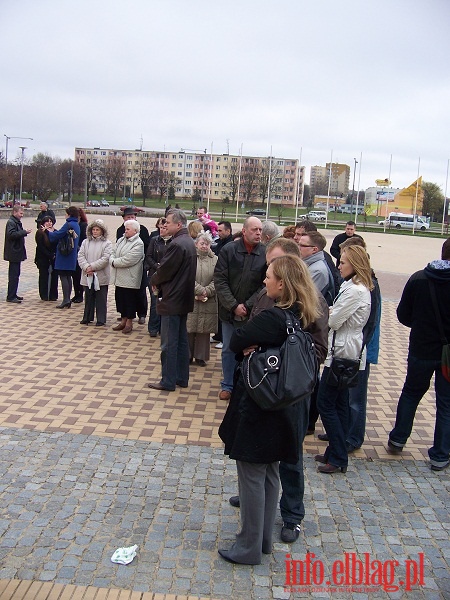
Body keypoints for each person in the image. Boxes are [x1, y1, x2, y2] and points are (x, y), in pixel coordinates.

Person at [218, 255, 320, 564]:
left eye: (270, 276)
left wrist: (254, 346)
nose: (265, 280)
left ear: (282, 283)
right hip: (286, 406)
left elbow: (237, 340)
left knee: (251, 476)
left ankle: (248, 547)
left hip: (260, 407)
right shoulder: (304, 313)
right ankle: (261, 541)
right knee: (271, 473)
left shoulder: (272, 318)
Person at [387, 238, 450, 471]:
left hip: (421, 348)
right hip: (448, 355)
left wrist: (422, 325)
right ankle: (441, 454)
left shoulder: (419, 278)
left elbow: (403, 314)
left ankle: (398, 438)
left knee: (411, 393)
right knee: (446, 404)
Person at [316, 245, 373, 474]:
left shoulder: (355, 290)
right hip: (344, 350)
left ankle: (338, 455)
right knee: (338, 404)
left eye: (343, 263)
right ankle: (335, 452)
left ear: (355, 265)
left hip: (343, 353)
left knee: (326, 403)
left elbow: (334, 320)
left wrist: (330, 312)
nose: (339, 266)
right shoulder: (353, 286)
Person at [214, 217, 267, 401]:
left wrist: (248, 305)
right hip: (229, 312)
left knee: (250, 350)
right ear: (244, 231)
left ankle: (245, 386)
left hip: (252, 314)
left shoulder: (264, 254)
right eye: (254, 229)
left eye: (260, 230)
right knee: (229, 349)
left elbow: (265, 285)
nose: (258, 233)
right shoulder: (229, 250)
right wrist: (234, 305)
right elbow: (220, 280)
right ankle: (227, 384)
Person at [148, 209, 197, 392]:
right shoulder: (188, 241)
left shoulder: (177, 244)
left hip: (172, 299)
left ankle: (168, 380)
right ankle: (181, 378)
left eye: (167, 222)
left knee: (169, 343)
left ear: (178, 224)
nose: (164, 225)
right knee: (181, 341)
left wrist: (153, 281)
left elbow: (164, 271)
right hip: (182, 298)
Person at [187, 232, 218, 366]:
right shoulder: (190, 257)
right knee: (189, 327)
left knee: (204, 330)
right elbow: (187, 277)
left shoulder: (215, 259)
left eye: (207, 244)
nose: (205, 246)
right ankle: (187, 355)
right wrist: (199, 290)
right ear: (196, 244)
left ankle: (201, 356)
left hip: (208, 299)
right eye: (202, 243)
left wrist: (207, 291)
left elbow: (218, 278)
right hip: (192, 297)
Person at [116, 207, 150, 325]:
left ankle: (141, 314)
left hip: (138, 265)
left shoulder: (143, 230)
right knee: (122, 293)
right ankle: (124, 314)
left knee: (140, 291)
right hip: (122, 268)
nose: (130, 218)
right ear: (124, 218)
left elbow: (147, 247)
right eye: (128, 217)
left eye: (132, 217)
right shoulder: (120, 230)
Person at [110, 220, 144, 334]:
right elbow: (112, 252)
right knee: (120, 299)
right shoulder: (121, 240)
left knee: (129, 300)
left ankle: (129, 322)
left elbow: (129, 260)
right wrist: (112, 260)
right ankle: (123, 320)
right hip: (119, 276)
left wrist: (114, 262)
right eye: (125, 229)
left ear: (135, 231)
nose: (126, 231)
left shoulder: (138, 243)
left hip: (130, 277)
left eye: (128, 229)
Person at [77, 219, 112, 326]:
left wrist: (93, 267)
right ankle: (87, 317)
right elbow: (81, 256)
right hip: (87, 273)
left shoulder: (107, 243)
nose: (95, 232)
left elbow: (105, 258)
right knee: (88, 296)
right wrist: (86, 267)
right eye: (93, 229)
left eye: (97, 229)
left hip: (100, 275)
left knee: (101, 297)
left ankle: (101, 319)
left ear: (102, 231)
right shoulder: (85, 242)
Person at [47, 206, 81, 308]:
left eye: (66, 213)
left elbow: (58, 235)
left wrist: (48, 231)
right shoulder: (76, 224)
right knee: (68, 276)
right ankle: (68, 299)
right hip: (72, 254)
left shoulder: (69, 224)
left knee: (63, 276)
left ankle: (66, 299)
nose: (65, 215)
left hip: (65, 254)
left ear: (69, 214)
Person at [144, 218, 172, 337]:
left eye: (165, 228)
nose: (162, 230)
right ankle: (153, 328)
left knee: (165, 301)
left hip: (168, 277)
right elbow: (148, 256)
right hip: (154, 276)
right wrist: (157, 266)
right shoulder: (155, 240)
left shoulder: (174, 242)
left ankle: (163, 328)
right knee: (155, 302)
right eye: (160, 228)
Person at [4, 205, 32, 303]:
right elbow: (11, 235)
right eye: (20, 213)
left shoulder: (15, 222)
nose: (22, 215)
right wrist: (24, 232)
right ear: (14, 212)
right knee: (13, 275)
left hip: (16, 252)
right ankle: (11, 296)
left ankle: (13, 293)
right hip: (13, 253)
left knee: (16, 274)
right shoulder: (11, 222)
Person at [298, 231, 336, 305]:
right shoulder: (309, 264)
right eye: (298, 244)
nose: (298, 247)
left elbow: (304, 298)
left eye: (302, 245)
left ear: (314, 249)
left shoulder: (318, 271)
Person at [34, 216, 58, 301]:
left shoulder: (55, 231)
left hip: (54, 257)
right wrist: (49, 255)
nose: (49, 223)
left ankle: (53, 295)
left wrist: (54, 255)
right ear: (43, 223)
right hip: (43, 258)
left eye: (51, 221)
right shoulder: (40, 232)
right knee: (43, 276)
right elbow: (40, 246)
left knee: (54, 276)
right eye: (47, 221)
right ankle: (44, 295)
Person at [71, 207, 88, 303]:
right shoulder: (75, 224)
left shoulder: (83, 225)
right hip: (75, 252)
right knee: (74, 275)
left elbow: (83, 239)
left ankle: (80, 294)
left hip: (80, 251)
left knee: (78, 275)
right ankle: (76, 294)